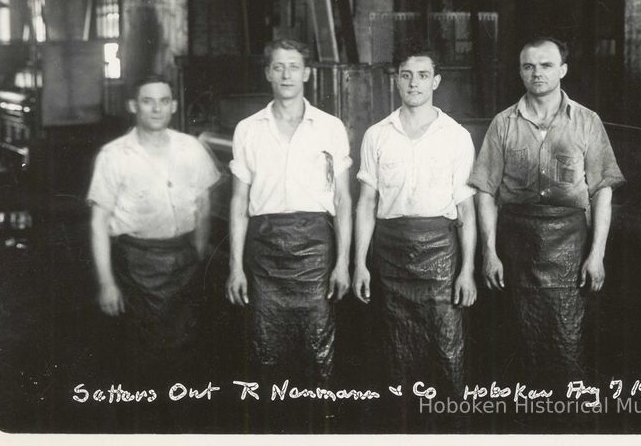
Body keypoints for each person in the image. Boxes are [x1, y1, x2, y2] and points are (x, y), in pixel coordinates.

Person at [469, 37, 625, 392]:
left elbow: (602, 190)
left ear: (563, 70)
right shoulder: (503, 123)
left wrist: (596, 255)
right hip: (515, 249)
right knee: (516, 345)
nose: (537, 73)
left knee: (569, 342)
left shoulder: (586, 121)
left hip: (571, 247)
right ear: (520, 71)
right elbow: (485, 191)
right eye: (528, 66)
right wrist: (490, 253)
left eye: (546, 65)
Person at [352, 45, 477, 404]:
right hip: (390, 253)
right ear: (396, 81)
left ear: (436, 81)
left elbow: (465, 210)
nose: (414, 83)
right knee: (394, 349)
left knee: (446, 347)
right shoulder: (377, 134)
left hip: (440, 250)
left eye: (423, 75)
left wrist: (467, 270)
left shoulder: (456, 136)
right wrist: (359, 263)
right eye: (406, 75)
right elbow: (366, 203)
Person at [225, 39, 352, 389]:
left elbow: (343, 199)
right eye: (278, 67)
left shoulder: (330, 127)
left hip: (316, 248)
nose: (286, 75)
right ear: (267, 73)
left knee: (318, 345)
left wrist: (343, 263)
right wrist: (235, 267)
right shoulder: (248, 129)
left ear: (307, 73)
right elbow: (238, 202)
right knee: (266, 346)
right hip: (264, 249)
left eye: (294, 67)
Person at [87, 75, 220, 389]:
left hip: (184, 260)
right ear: (134, 106)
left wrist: (197, 253)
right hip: (136, 263)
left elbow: (204, 205)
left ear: (173, 106)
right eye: (148, 101)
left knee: (188, 349)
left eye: (163, 101)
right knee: (143, 355)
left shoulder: (191, 148)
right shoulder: (114, 155)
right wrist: (107, 284)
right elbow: (98, 222)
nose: (156, 109)